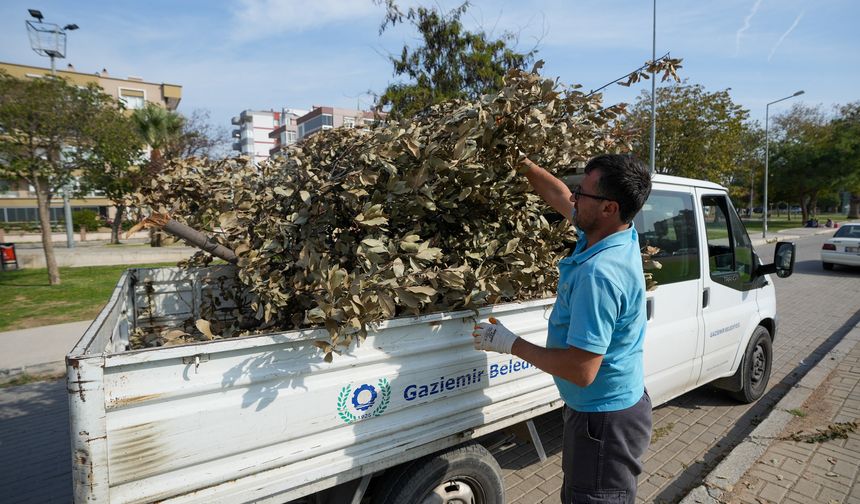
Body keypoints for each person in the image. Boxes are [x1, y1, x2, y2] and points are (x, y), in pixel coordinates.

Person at [472, 153, 652, 504]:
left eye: (582, 194)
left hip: (604, 423)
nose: (574, 198)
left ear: (608, 208)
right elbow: (558, 196)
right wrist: (523, 164)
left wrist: (510, 343)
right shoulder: (612, 233)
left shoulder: (599, 274)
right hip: (605, 411)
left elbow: (581, 370)